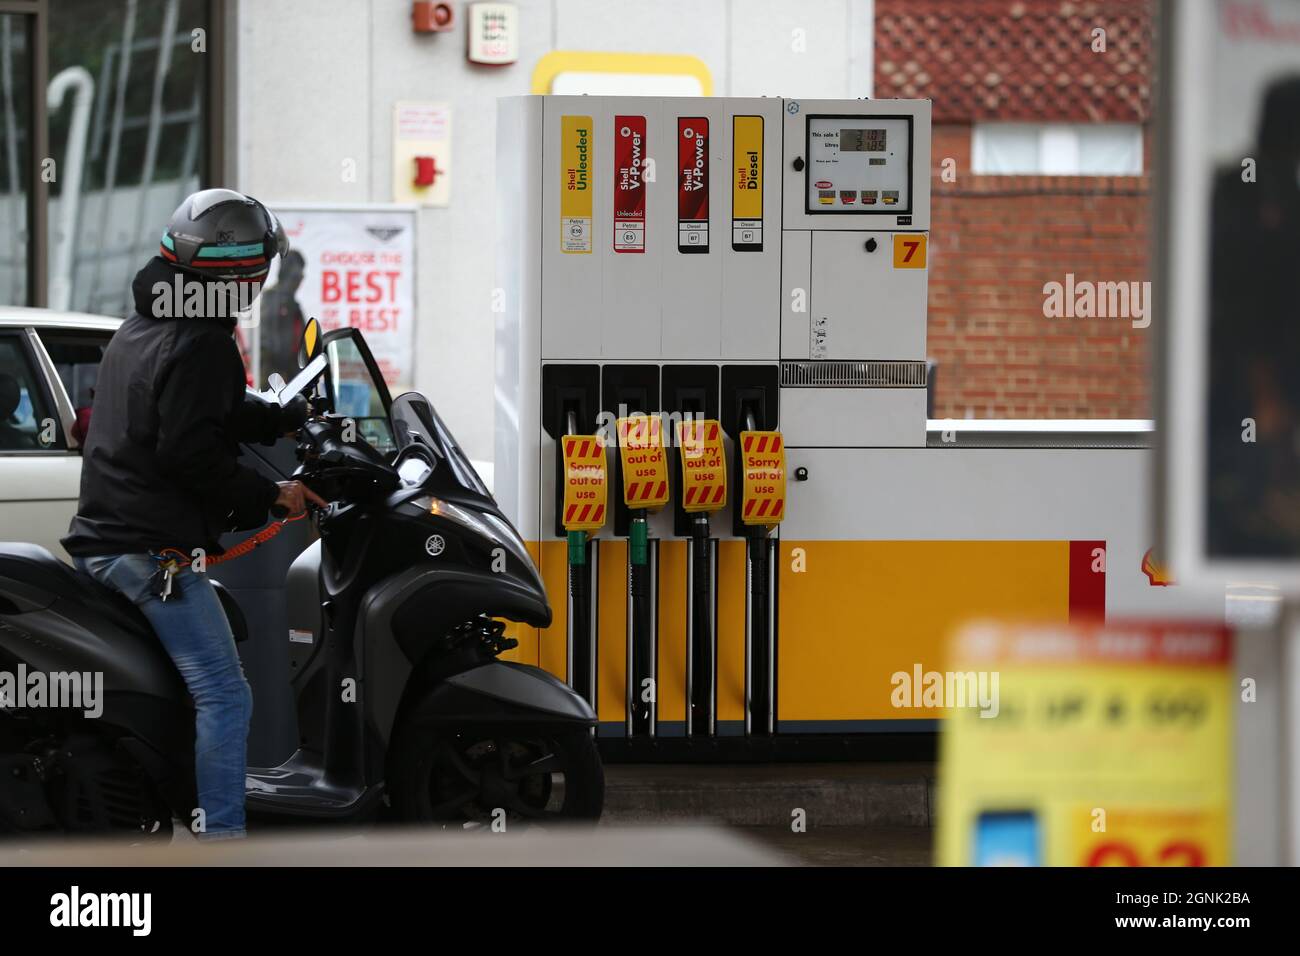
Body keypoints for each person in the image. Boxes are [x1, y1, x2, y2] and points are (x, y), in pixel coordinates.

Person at [62, 188, 327, 841]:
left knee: (188, 688)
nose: (263, 281)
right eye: (259, 268)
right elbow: (190, 453)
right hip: (147, 551)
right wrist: (272, 496)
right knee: (226, 693)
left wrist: (288, 415)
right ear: (237, 273)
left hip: (108, 537)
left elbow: (214, 409)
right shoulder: (202, 341)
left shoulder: (149, 324)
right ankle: (223, 841)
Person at [256, 249, 306, 384]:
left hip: (290, 376)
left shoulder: (293, 305)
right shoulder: (272, 298)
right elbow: (269, 342)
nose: (301, 278)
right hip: (275, 377)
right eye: (297, 275)